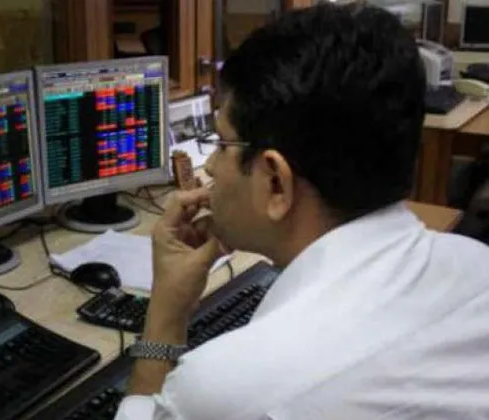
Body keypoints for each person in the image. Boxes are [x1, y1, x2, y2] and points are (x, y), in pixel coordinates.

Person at [116, 3, 489, 419]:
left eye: (221, 144)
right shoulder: (477, 264)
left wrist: (165, 317)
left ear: (276, 182)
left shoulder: (226, 387)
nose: (211, 167)